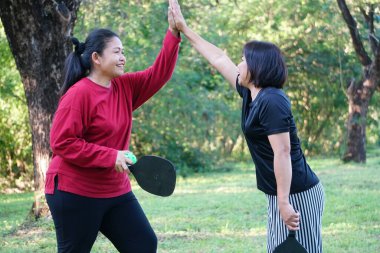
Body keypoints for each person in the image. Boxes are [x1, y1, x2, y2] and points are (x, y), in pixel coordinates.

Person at [168, 1, 324, 252]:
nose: (238, 64)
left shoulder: (272, 101)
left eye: (243, 60)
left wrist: (284, 201)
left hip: (296, 194)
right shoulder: (251, 94)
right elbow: (219, 58)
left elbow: (282, 152)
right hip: (279, 193)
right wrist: (184, 29)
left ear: (256, 66)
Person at [45, 3, 181, 252]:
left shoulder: (125, 87)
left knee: (143, 243)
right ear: (96, 58)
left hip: (114, 190)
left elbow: (158, 74)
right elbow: (62, 142)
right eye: (117, 52)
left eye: (123, 52)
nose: (123, 57)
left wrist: (173, 33)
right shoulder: (79, 95)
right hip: (74, 191)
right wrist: (111, 156)